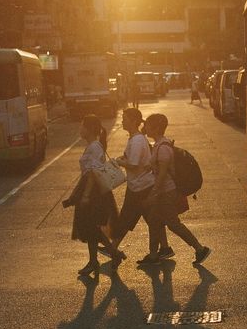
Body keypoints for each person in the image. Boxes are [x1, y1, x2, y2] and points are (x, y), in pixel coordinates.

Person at [143, 112, 210, 268]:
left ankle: (200, 249)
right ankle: (153, 255)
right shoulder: (159, 145)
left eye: (147, 124)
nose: (145, 127)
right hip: (163, 191)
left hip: (166, 192)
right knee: (154, 221)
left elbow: (162, 175)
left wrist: (153, 194)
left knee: (173, 224)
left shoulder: (163, 148)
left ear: (156, 127)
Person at [63, 113, 123, 278]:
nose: (79, 128)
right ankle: (99, 259)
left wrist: (86, 195)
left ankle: (107, 256)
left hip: (94, 193)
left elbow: (93, 174)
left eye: (82, 125)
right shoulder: (92, 146)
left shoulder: (94, 147)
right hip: (90, 191)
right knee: (91, 229)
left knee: (91, 228)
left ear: (89, 129)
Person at [109, 107, 170, 265]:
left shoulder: (136, 140)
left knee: (127, 217)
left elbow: (134, 164)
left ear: (134, 121)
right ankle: (164, 248)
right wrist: (123, 157)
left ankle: (112, 247)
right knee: (152, 219)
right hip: (140, 185)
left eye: (125, 118)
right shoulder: (135, 138)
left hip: (140, 186)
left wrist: (119, 162)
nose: (122, 120)